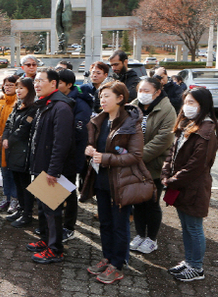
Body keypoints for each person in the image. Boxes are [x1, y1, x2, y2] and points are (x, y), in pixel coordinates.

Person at [82, 81, 148, 284]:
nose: (102, 100)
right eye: (101, 96)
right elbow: (96, 148)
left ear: (120, 98)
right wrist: (90, 151)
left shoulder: (130, 123)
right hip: (101, 180)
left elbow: (136, 156)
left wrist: (106, 158)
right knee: (105, 222)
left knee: (120, 225)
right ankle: (108, 258)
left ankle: (118, 265)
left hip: (121, 183)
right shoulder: (99, 120)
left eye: (107, 96)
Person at [161, 87, 218, 282]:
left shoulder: (207, 130)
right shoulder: (188, 124)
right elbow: (172, 152)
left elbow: (196, 165)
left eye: (192, 102)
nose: (187, 106)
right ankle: (190, 261)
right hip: (181, 186)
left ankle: (197, 267)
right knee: (186, 226)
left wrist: (171, 180)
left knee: (194, 228)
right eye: (186, 102)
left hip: (193, 188)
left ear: (203, 106)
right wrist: (166, 172)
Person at [26, 68, 74, 264]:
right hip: (40, 165)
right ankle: (45, 240)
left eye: (40, 81)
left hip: (51, 169)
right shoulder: (45, 104)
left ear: (53, 84)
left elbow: (61, 143)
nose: (36, 84)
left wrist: (53, 170)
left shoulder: (61, 107)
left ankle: (55, 249)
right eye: (35, 81)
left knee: (52, 210)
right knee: (43, 208)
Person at [129, 76, 176, 254]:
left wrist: (137, 157)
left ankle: (151, 239)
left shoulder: (167, 110)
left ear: (157, 92)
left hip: (153, 166)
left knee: (151, 203)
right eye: (140, 90)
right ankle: (140, 234)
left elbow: (163, 140)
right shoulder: (132, 106)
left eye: (146, 91)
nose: (142, 94)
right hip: (134, 165)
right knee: (138, 203)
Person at [58, 68, 93, 242]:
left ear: (69, 85)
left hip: (70, 156)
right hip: (57, 154)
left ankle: (68, 227)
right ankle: (53, 224)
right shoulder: (58, 99)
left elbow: (80, 135)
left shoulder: (80, 103)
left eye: (59, 83)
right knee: (54, 189)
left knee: (68, 191)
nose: (55, 86)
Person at [2, 77, 37, 228]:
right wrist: (5, 137)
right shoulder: (18, 106)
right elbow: (9, 124)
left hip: (23, 152)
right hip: (13, 152)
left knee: (25, 184)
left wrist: (9, 140)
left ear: (29, 90)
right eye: (17, 88)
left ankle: (27, 214)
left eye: (21, 88)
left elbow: (23, 129)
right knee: (17, 181)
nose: (18, 91)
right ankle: (21, 209)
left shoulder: (33, 108)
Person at [0, 75, 19, 213]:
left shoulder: (20, 102)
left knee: (14, 174)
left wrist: (9, 139)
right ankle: (7, 197)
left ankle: (15, 199)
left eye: (11, 85)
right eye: (6, 85)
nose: (7, 87)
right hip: (0, 145)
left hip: (14, 147)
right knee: (4, 173)